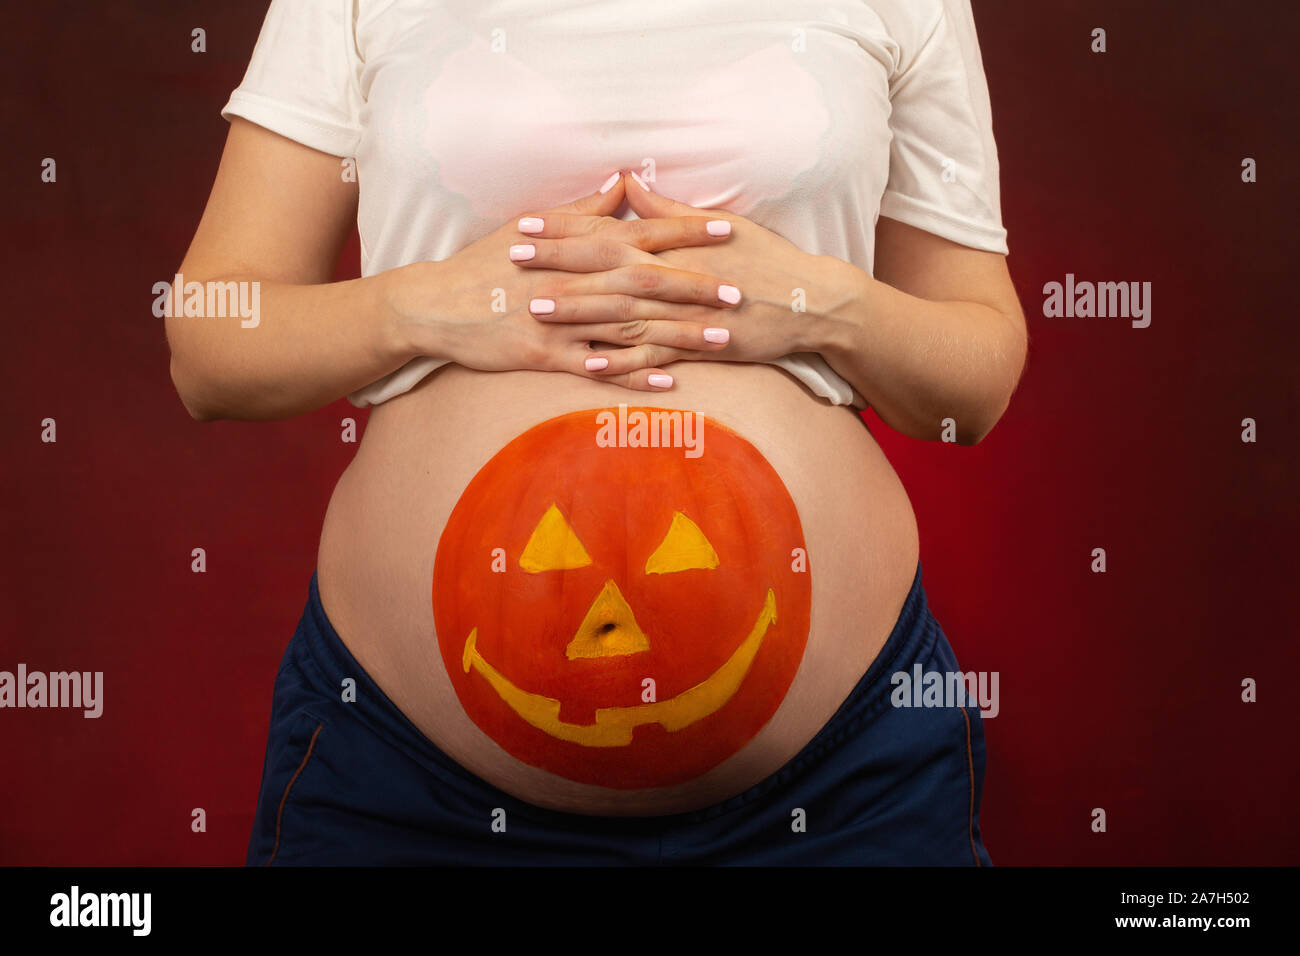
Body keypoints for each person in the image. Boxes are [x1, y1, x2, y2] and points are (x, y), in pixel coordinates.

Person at [167, 0, 1026, 864]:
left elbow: (973, 381)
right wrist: (419, 308)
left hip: (842, 788)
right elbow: (209, 345)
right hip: (405, 784)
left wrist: (823, 304)